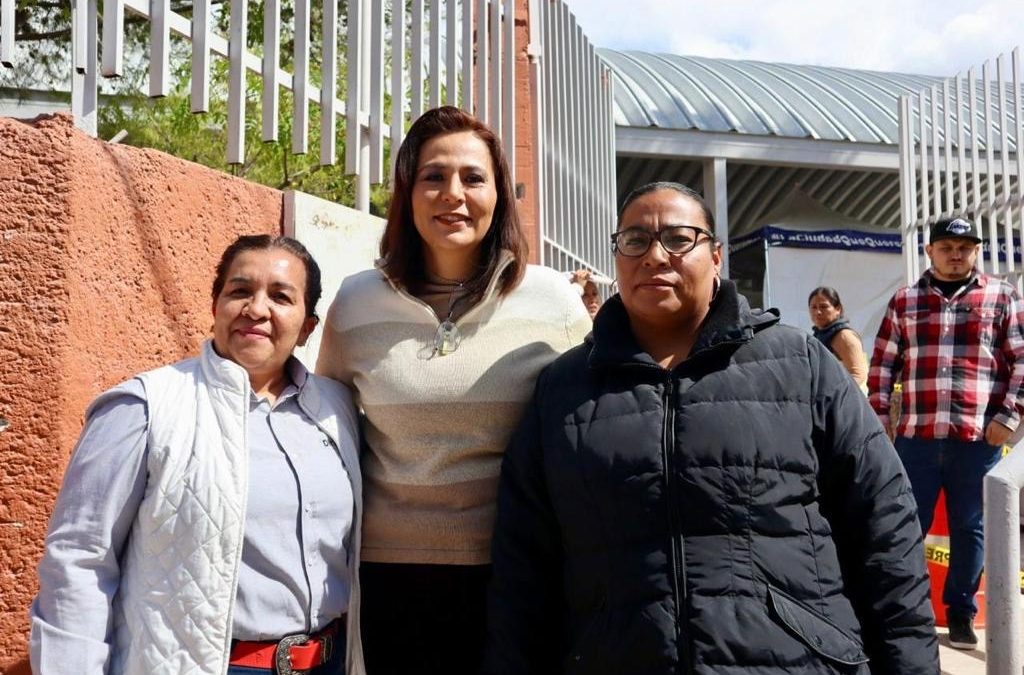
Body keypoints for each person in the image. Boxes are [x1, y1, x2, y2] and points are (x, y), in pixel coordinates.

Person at [484, 181, 938, 675]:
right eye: (635, 240)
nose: (656, 256)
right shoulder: (564, 389)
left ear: (717, 256)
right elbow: (523, 561)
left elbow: (883, 524)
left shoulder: (799, 364)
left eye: (679, 239)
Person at [315, 106, 591, 675]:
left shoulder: (554, 302)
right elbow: (326, 432)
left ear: (499, 195)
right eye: (433, 177)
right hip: (390, 576)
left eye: (472, 177)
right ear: (407, 192)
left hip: (518, 571)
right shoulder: (356, 301)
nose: (452, 194)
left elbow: (585, 432)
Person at [30, 235, 365, 675]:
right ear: (215, 307)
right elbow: (80, 559)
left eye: (281, 297)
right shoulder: (145, 408)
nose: (256, 309)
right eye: (240, 291)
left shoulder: (338, 410)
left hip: (329, 663)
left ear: (307, 325)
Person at [868, 216, 1024, 650]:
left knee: (970, 528)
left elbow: (1022, 364)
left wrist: (1008, 418)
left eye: (965, 247)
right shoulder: (905, 301)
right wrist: (879, 417)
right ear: (931, 251)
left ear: (975, 251)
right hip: (917, 437)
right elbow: (882, 364)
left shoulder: (1002, 297)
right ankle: (903, 608)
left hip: (978, 440)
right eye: (947, 247)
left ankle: (960, 612)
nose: (956, 255)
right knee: (902, 524)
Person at [808, 286, 868, 390]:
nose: (818, 312)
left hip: (847, 402)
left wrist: (834, 397)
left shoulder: (844, 336)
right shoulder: (819, 336)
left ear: (838, 309)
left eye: (823, 307)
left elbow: (858, 375)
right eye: (813, 307)